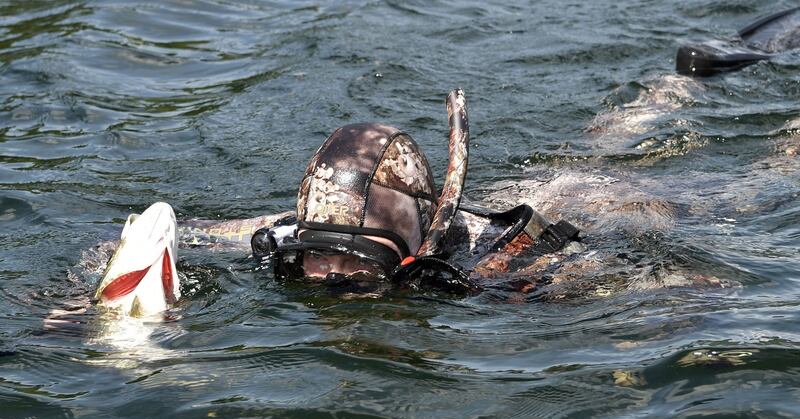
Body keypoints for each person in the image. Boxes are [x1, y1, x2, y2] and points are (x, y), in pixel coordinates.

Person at [93, 89, 584, 317]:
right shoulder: (294, 231)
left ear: (407, 249)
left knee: (600, 149)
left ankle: (661, 95)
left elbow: (620, 282)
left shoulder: (484, 250)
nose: (333, 275)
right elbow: (160, 235)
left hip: (582, 195)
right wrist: (85, 303)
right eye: (321, 253)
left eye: (357, 257)